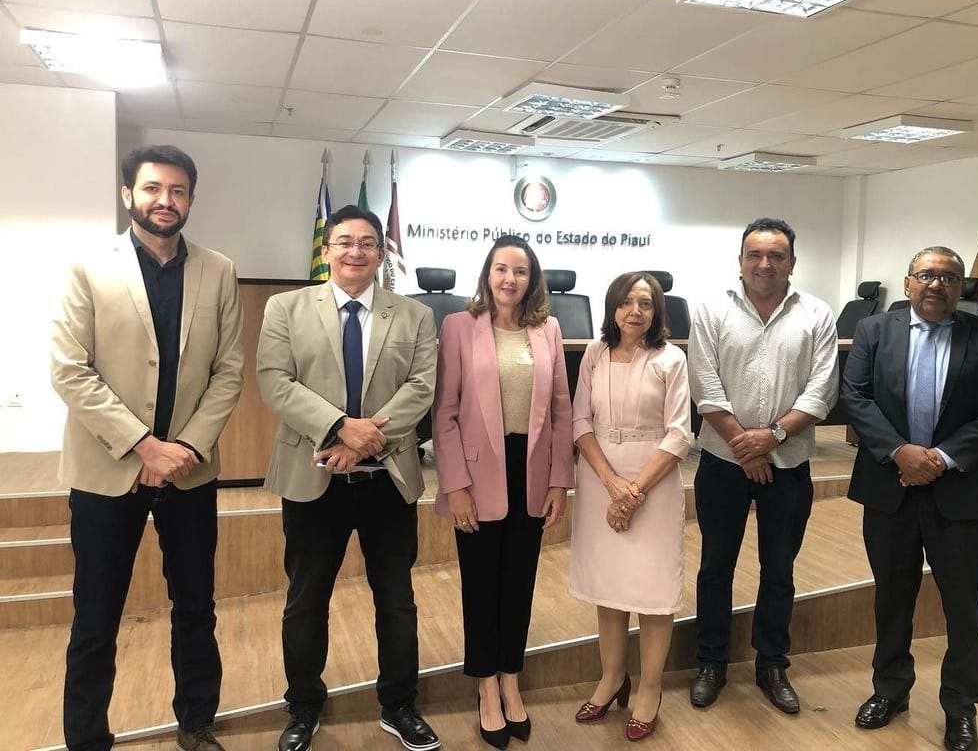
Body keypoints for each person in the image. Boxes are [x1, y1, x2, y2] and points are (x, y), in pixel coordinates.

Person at [50, 144, 244, 751]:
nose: (166, 200)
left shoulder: (219, 270)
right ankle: (87, 739)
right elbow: (70, 370)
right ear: (128, 194)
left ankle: (196, 723)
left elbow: (228, 371)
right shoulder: (88, 267)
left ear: (191, 199)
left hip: (189, 471)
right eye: (153, 188)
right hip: (108, 470)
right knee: (95, 617)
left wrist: (182, 447)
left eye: (178, 190)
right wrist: (143, 446)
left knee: (196, 607)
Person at [256, 205, 439, 751]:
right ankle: (303, 706)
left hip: (388, 480)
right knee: (306, 600)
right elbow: (275, 382)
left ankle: (399, 704)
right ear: (327, 249)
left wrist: (364, 439)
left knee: (397, 600)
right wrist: (339, 427)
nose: (355, 251)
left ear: (381, 254)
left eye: (366, 243)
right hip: (314, 479)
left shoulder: (414, 315)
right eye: (344, 242)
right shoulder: (285, 308)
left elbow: (421, 387)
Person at [842, 246, 978, 751]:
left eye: (948, 277)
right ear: (907, 283)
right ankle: (890, 690)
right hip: (889, 488)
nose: (936, 284)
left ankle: (960, 707)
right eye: (925, 275)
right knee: (891, 597)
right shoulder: (874, 331)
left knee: (963, 604)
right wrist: (900, 452)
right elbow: (855, 397)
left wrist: (940, 458)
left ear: (961, 287)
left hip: (962, 491)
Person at [687, 217, 838, 715]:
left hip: (788, 462)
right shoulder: (712, 310)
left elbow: (822, 390)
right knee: (716, 567)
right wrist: (745, 447)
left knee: (779, 569)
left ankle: (772, 664)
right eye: (755, 254)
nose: (765, 264)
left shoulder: (816, 314)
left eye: (776, 255)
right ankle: (711, 662)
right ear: (741, 261)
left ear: (792, 262)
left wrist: (770, 438)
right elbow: (704, 386)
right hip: (722, 462)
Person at [432, 234, 574, 748]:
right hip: (476, 475)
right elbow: (444, 412)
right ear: (487, 274)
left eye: (520, 270)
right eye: (501, 269)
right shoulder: (458, 326)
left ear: (532, 279)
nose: (509, 279)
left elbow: (561, 410)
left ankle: (511, 678)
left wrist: (560, 480)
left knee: (519, 583)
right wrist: (455, 486)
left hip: (531, 472)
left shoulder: (548, 329)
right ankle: (485, 686)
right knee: (480, 585)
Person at [569, 271, 692, 742]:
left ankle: (650, 688)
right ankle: (611, 678)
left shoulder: (670, 358)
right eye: (626, 302)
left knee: (652, 589)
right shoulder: (595, 354)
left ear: (657, 311)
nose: (635, 311)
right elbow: (581, 421)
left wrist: (633, 491)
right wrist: (611, 484)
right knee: (610, 586)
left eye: (645, 303)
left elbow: (679, 433)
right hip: (600, 476)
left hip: (653, 479)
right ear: (613, 307)